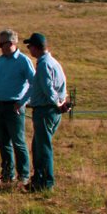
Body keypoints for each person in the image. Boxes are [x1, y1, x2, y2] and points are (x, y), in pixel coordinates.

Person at [0, 29, 35, 186]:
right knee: (3, 141)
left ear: (11, 43)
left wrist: (23, 101)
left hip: (14, 107)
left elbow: (33, 83)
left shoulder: (24, 61)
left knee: (18, 142)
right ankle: (7, 174)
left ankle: (23, 176)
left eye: (1, 44)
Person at [23, 33, 68, 191]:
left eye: (29, 47)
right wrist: (62, 102)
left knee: (43, 148)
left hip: (45, 110)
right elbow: (61, 87)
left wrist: (58, 103)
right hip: (51, 110)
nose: (29, 50)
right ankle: (39, 179)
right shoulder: (54, 63)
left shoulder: (43, 64)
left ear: (35, 47)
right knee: (38, 146)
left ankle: (46, 183)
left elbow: (48, 89)